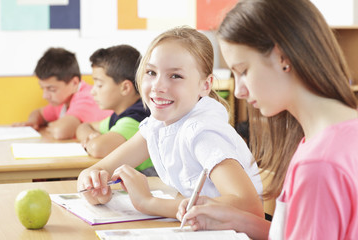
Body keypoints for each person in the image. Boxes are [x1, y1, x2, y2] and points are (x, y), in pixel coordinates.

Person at [176, 0, 358, 239]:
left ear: (282, 57)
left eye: (243, 71)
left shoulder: (318, 164)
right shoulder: (340, 133)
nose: (239, 90)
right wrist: (238, 220)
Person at [77, 26, 264, 219]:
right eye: (151, 72)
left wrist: (149, 203)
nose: (158, 86)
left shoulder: (202, 132)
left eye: (175, 76)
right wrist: (92, 184)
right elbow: (98, 170)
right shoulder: (157, 125)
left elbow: (249, 207)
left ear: (205, 85)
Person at [76, 45, 155, 175]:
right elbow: (84, 126)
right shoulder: (119, 116)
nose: (93, 91)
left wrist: (93, 141)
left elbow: (97, 148)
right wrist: (91, 137)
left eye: (99, 85)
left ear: (125, 88)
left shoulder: (137, 118)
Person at [13, 47, 112, 140]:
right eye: (43, 88)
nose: (45, 96)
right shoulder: (63, 100)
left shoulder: (87, 97)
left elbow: (61, 131)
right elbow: (38, 113)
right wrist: (32, 122)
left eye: (51, 89)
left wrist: (54, 125)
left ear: (74, 83)